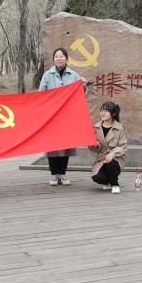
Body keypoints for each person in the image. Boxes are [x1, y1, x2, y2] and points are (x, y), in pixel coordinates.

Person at [39, 47, 83, 185]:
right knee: (52, 146)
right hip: (52, 117)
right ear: (53, 59)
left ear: (66, 58)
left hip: (67, 116)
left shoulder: (74, 75)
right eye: (56, 56)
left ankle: (63, 174)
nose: (59, 58)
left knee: (66, 145)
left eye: (61, 56)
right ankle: (54, 174)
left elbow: (80, 94)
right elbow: (41, 95)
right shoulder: (47, 75)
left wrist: (83, 85)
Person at [89, 101, 129, 194]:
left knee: (110, 163)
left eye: (106, 111)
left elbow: (123, 147)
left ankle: (115, 184)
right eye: (101, 111)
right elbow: (93, 149)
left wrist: (112, 154)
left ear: (113, 114)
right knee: (97, 177)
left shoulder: (119, 128)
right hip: (101, 158)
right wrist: (94, 145)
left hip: (116, 159)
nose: (102, 113)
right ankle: (108, 181)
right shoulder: (96, 127)